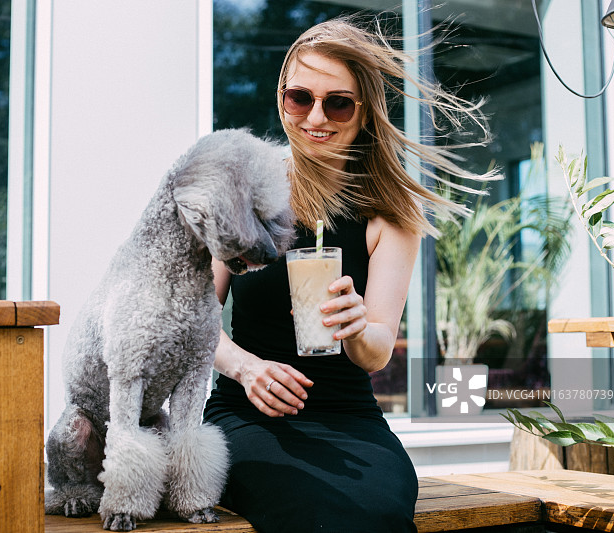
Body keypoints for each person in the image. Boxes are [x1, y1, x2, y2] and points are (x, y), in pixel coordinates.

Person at [203, 16, 493, 533]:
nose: (316, 117)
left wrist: (358, 326)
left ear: (364, 112)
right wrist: (247, 368)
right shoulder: (242, 192)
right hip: (247, 417)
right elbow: (194, 316)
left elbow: (377, 351)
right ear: (281, 99)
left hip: (350, 420)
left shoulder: (388, 213)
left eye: (338, 102)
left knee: (374, 514)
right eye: (300, 98)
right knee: (312, 514)